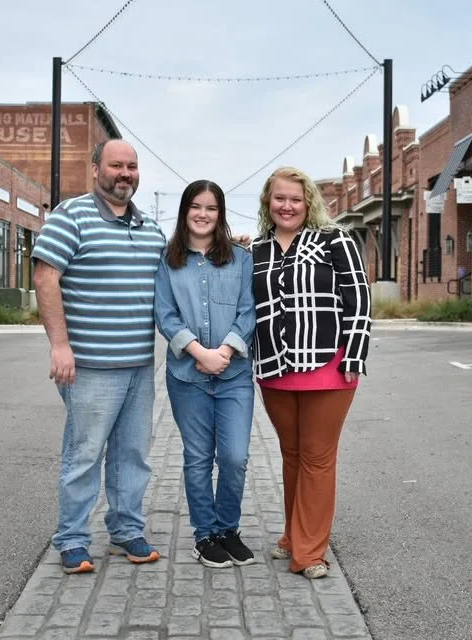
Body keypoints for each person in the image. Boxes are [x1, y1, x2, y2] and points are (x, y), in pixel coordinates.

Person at [31, 139, 165, 574]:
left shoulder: (151, 229)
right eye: (116, 165)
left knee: (133, 454)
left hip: (139, 366)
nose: (125, 173)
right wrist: (59, 345)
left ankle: (126, 530)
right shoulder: (71, 216)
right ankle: (72, 538)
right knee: (84, 454)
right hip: (89, 367)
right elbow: (45, 277)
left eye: (132, 166)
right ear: (95, 169)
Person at [251, 166, 371, 579]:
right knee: (292, 455)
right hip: (274, 367)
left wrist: (354, 355)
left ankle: (309, 553)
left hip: (328, 365)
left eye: (295, 199)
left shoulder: (334, 239)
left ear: (308, 203)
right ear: (268, 201)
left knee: (317, 457)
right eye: (280, 198)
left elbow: (358, 297)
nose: (287, 206)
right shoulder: (257, 250)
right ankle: (292, 535)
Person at [154, 180, 257, 568]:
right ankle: (205, 534)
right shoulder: (167, 260)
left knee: (234, 457)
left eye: (211, 208)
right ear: (185, 211)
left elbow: (249, 310)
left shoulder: (241, 259)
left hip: (234, 375)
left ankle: (228, 529)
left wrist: (224, 353)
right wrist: (199, 353)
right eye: (196, 206)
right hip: (187, 376)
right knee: (198, 457)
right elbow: (165, 314)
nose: (203, 214)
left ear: (221, 213)